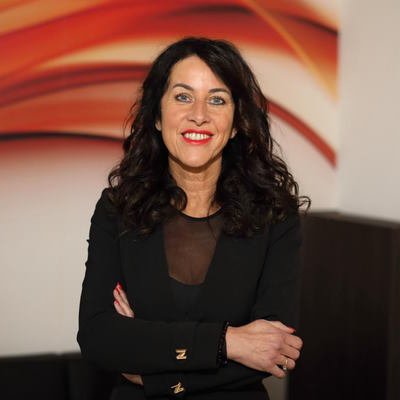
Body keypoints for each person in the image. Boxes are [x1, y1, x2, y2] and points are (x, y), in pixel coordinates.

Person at [77, 37, 309, 400]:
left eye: (217, 99)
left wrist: (154, 370)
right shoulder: (117, 210)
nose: (199, 114)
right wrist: (229, 342)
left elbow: (274, 349)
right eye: (183, 97)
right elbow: (98, 338)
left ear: (236, 123)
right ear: (157, 116)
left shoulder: (274, 214)